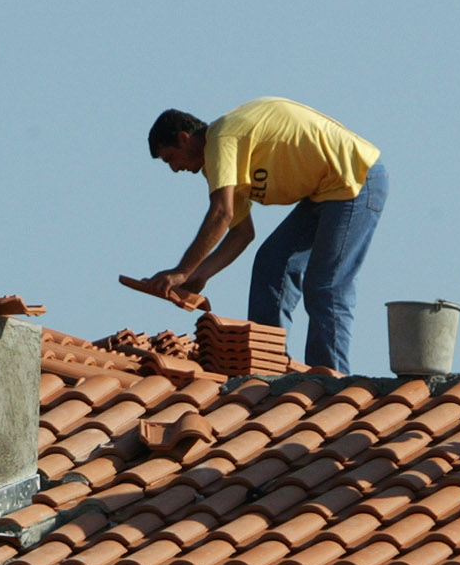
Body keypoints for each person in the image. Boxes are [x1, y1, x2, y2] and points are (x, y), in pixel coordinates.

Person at [142, 98, 388, 374]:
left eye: (170, 158)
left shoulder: (223, 137)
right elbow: (241, 233)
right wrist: (199, 274)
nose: (175, 169)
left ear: (184, 138)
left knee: (325, 285)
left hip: (356, 177)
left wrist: (182, 271)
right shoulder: (216, 164)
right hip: (324, 192)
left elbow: (222, 213)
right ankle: (268, 370)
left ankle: (331, 380)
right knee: (271, 262)